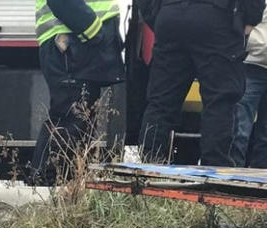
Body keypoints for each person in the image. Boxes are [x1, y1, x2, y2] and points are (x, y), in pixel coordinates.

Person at [140, 0, 264, 166]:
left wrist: (160, 15)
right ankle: (214, 172)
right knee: (219, 100)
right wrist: (249, 21)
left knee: (161, 101)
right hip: (217, 19)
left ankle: (149, 168)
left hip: (170, 16)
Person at [29, 0, 124, 186]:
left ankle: (63, 184)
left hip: (77, 41)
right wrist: (94, 30)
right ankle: (46, 184)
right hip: (72, 41)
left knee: (81, 118)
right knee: (71, 115)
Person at [232, 7, 267, 167]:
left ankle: (261, 186)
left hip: (251, 59)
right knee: (239, 130)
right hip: (250, 63)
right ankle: (230, 179)